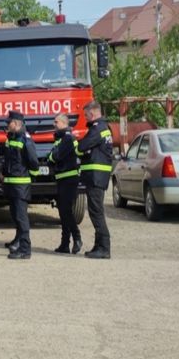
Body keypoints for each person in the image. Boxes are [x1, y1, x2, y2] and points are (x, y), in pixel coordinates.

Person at [2, 110, 39, 259]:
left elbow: (33, 162)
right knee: (16, 216)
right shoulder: (11, 138)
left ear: (16, 124)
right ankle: (18, 241)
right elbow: (8, 160)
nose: (7, 125)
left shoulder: (25, 140)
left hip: (20, 185)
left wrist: (32, 177)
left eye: (9, 122)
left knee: (21, 217)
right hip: (12, 185)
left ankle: (25, 249)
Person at [78, 100, 113, 259]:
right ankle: (99, 246)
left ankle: (104, 248)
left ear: (92, 113)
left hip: (96, 178)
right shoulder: (104, 128)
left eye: (86, 115)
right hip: (98, 177)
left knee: (96, 213)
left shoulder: (97, 129)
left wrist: (82, 148)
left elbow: (82, 146)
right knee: (96, 212)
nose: (85, 118)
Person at [48, 113, 82, 254]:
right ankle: (65, 244)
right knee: (63, 212)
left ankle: (77, 237)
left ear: (63, 123)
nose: (54, 124)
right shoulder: (62, 138)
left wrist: (52, 156)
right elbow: (52, 156)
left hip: (69, 179)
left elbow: (55, 156)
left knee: (66, 211)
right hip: (62, 179)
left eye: (56, 122)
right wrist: (52, 156)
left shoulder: (68, 138)